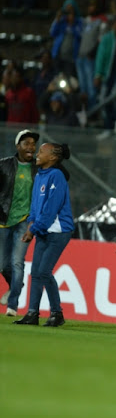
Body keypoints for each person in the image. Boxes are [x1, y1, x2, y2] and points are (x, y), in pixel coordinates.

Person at [14, 143, 74, 327]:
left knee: (43, 271)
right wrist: (32, 223)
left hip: (59, 231)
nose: (37, 154)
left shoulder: (56, 176)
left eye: (41, 151)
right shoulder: (40, 174)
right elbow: (36, 206)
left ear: (53, 157)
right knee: (36, 272)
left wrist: (33, 229)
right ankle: (32, 313)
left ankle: (57, 313)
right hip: (44, 230)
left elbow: (50, 209)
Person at [0, 130, 39, 317]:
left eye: (33, 143)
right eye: (26, 143)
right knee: (3, 264)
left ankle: (13, 305)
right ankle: (16, 284)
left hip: (26, 221)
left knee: (17, 262)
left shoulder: (39, 168)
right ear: (18, 147)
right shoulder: (4, 165)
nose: (31, 147)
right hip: (4, 220)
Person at [77, 0, 108, 106]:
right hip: (81, 57)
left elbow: (101, 40)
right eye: (89, 6)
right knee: (83, 88)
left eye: (93, 6)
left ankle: (92, 112)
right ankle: (84, 113)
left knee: (91, 88)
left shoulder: (102, 21)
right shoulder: (86, 20)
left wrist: (93, 53)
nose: (90, 8)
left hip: (91, 58)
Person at [50, 0, 83, 78]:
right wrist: (57, 20)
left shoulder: (79, 22)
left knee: (69, 79)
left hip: (71, 58)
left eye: (70, 9)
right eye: (67, 9)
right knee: (57, 78)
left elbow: (80, 35)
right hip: (58, 56)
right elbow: (52, 33)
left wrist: (72, 23)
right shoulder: (61, 21)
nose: (68, 11)